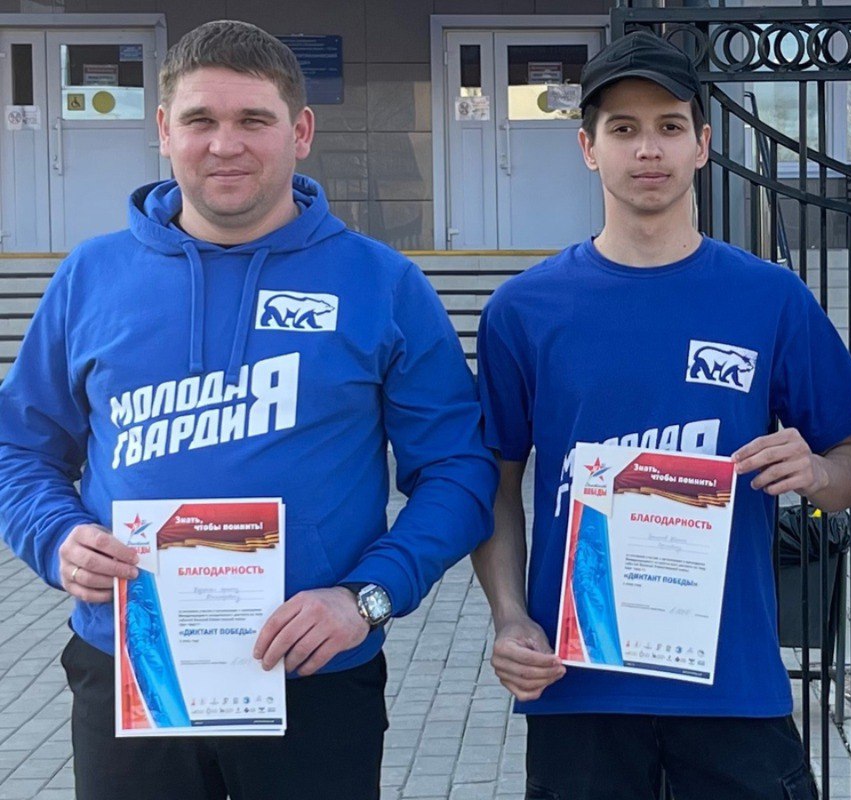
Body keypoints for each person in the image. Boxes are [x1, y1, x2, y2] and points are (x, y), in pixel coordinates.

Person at [0, 20, 497, 800]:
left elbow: (460, 472)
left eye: (252, 120)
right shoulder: (91, 277)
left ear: (300, 132)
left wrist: (367, 596)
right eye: (200, 119)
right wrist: (56, 537)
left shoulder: (381, 284)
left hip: (315, 672)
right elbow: (20, 449)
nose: (224, 144)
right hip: (133, 669)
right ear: (164, 131)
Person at [471, 30, 851, 800]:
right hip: (579, 683)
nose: (647, 149)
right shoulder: (524, 310)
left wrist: (816, 471)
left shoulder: (770, 299)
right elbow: (493, 485)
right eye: (623, 129)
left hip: (732, 683)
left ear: (702, 144)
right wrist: (509, 616)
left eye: (668, 126)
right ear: (588, 147)